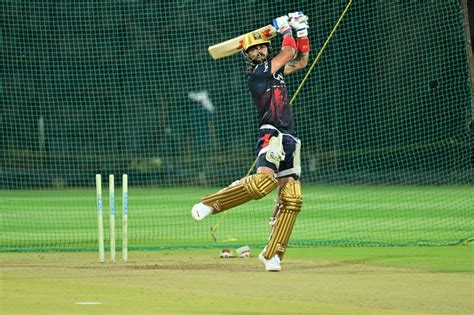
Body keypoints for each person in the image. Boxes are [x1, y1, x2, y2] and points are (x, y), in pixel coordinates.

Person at [191, 12, 310, 272]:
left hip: (290, 137)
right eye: (252, 48)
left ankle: (272, 254)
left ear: (266, 48)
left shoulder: (277, 71)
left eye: (261, 46)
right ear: (247, 55)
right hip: (271, 134)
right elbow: (288, 53)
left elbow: (300, 61)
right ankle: (211, 203)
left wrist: (302, 31)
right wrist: (285, 29)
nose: (258, 51)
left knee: (292, 198)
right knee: (262, 183)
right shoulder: (257, 73)